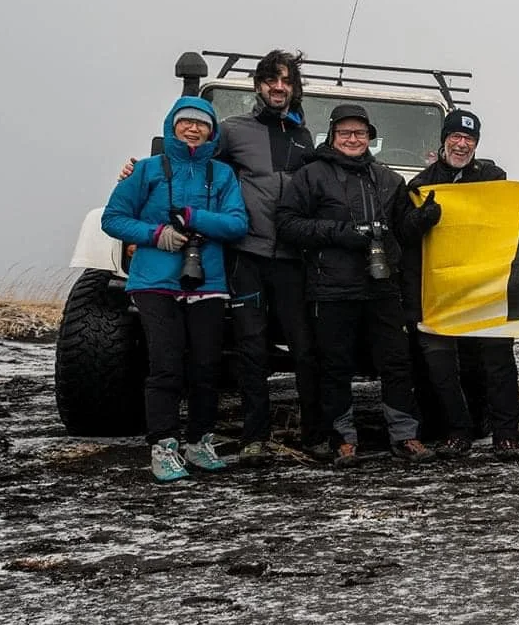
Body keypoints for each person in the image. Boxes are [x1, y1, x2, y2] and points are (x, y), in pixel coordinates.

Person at [100, 97, 250, 481]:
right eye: (186, 122)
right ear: (172, 126)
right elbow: (113, 218)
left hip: (208, 282)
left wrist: (192, 218)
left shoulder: (221, 175)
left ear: (213, 131)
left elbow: (236, 224)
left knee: (206, 366)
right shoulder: (146, 170)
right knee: (165, 364)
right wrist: (156, 234)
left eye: (202, 124)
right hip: (155, 282)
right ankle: (163, 445)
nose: (194, 129)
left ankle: (200, 441)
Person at [276, 103, 427, 466]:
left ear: (371, 138)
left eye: (360, 133)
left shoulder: (389, 179)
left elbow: (403, 232)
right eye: (345, 133)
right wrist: (340, 234)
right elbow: (286, 223)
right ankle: (343, 439)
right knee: (335, 366)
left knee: (396, 363)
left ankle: (404, 436)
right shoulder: (311, 175)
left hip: (382, 287)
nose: (353, 139)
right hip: (332, 288)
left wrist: (423, 219)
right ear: (332, 135)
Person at [213, 50, 321, 458]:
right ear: (258, 85)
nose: (279, 87)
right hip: (247, 256)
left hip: (294, 259)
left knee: (305, 349)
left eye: (287, 81)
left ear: (294, 89)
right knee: (251, 347)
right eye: (271, 80)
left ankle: (314, 435)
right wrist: (141, 170)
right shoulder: (232, 131)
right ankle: (254, 437)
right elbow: (199, 169)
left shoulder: (304, 137)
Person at [398, 108, 519, 455]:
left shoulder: (493, 176)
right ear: (444, 139)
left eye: (469, 138)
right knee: (442, 365)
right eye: (456, 136)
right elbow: (405, 237)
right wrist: (420, 221)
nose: (462, 144)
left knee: (497, 360)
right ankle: (458, 431)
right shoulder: (421, 184)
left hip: (486, 288)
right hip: (441, 293)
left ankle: (506, 433)